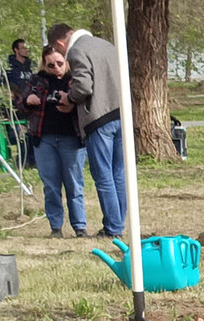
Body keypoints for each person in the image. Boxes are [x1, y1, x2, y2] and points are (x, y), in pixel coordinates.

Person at [48, 22, 126, 238]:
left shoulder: (77, 50)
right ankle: (119, 222)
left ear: (60, 42)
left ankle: (113, 228)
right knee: (119, 173)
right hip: (122, 114)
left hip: (99, 118)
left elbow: (83, 86)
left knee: (103, 176)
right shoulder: (107, 45)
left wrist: (69, 98)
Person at [25, 45, 87, 239]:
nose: (56, 68)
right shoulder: (37, 80)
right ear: (45, 64)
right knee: (51, 185)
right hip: (45, 138)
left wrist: (72, 104)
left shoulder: (76, 80)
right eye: (51, 65)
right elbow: (20, 103)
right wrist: (28, 99)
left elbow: (88, 103)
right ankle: (56, 227)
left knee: (74, 184)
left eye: (60, 63)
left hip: (72, 138)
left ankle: (79, 226)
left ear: (67, 61)